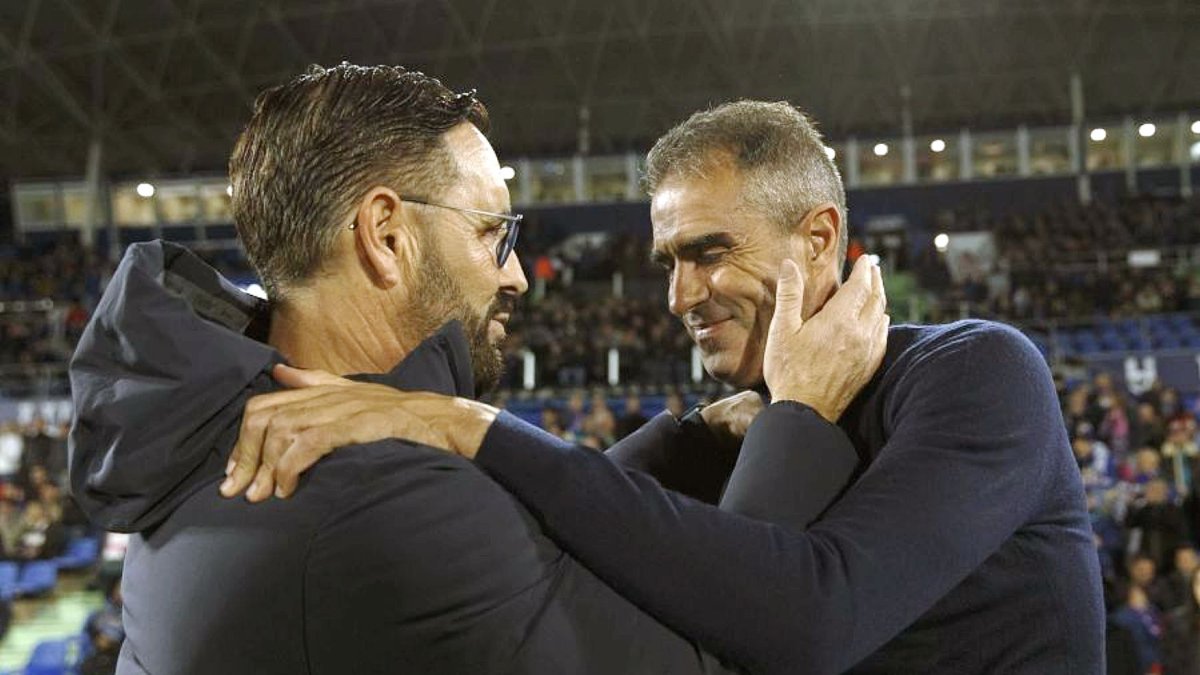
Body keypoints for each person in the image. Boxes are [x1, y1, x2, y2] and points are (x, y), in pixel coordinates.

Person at [229, 101, 1104, 673]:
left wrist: (463, 422)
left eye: (708, 252)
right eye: (667, 263)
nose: (681, 297)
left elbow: (810, 620)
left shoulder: (978, 373)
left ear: (818, 238)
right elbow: (559, 561)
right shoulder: (742, 427)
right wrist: (691, 436)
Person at [68, 65, 884, 674]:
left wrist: (682, 443)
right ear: (387, 235)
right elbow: (725, 655)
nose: (516, 274)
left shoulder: (213, 440)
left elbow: (528, 565)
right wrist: (799, 419)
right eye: (493, 232)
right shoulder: (385, 498)